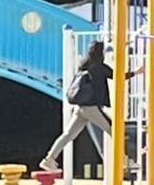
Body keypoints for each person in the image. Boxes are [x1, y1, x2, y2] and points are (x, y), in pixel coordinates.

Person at [40, 40, 112, 173]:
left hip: (80, 107)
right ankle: (126, 160)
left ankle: (49, 159)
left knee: (68, 134)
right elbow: (117, 76)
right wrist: (136, 72)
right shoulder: (100, 67)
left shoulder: (84, 64)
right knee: (114, 130)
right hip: (91, 107)